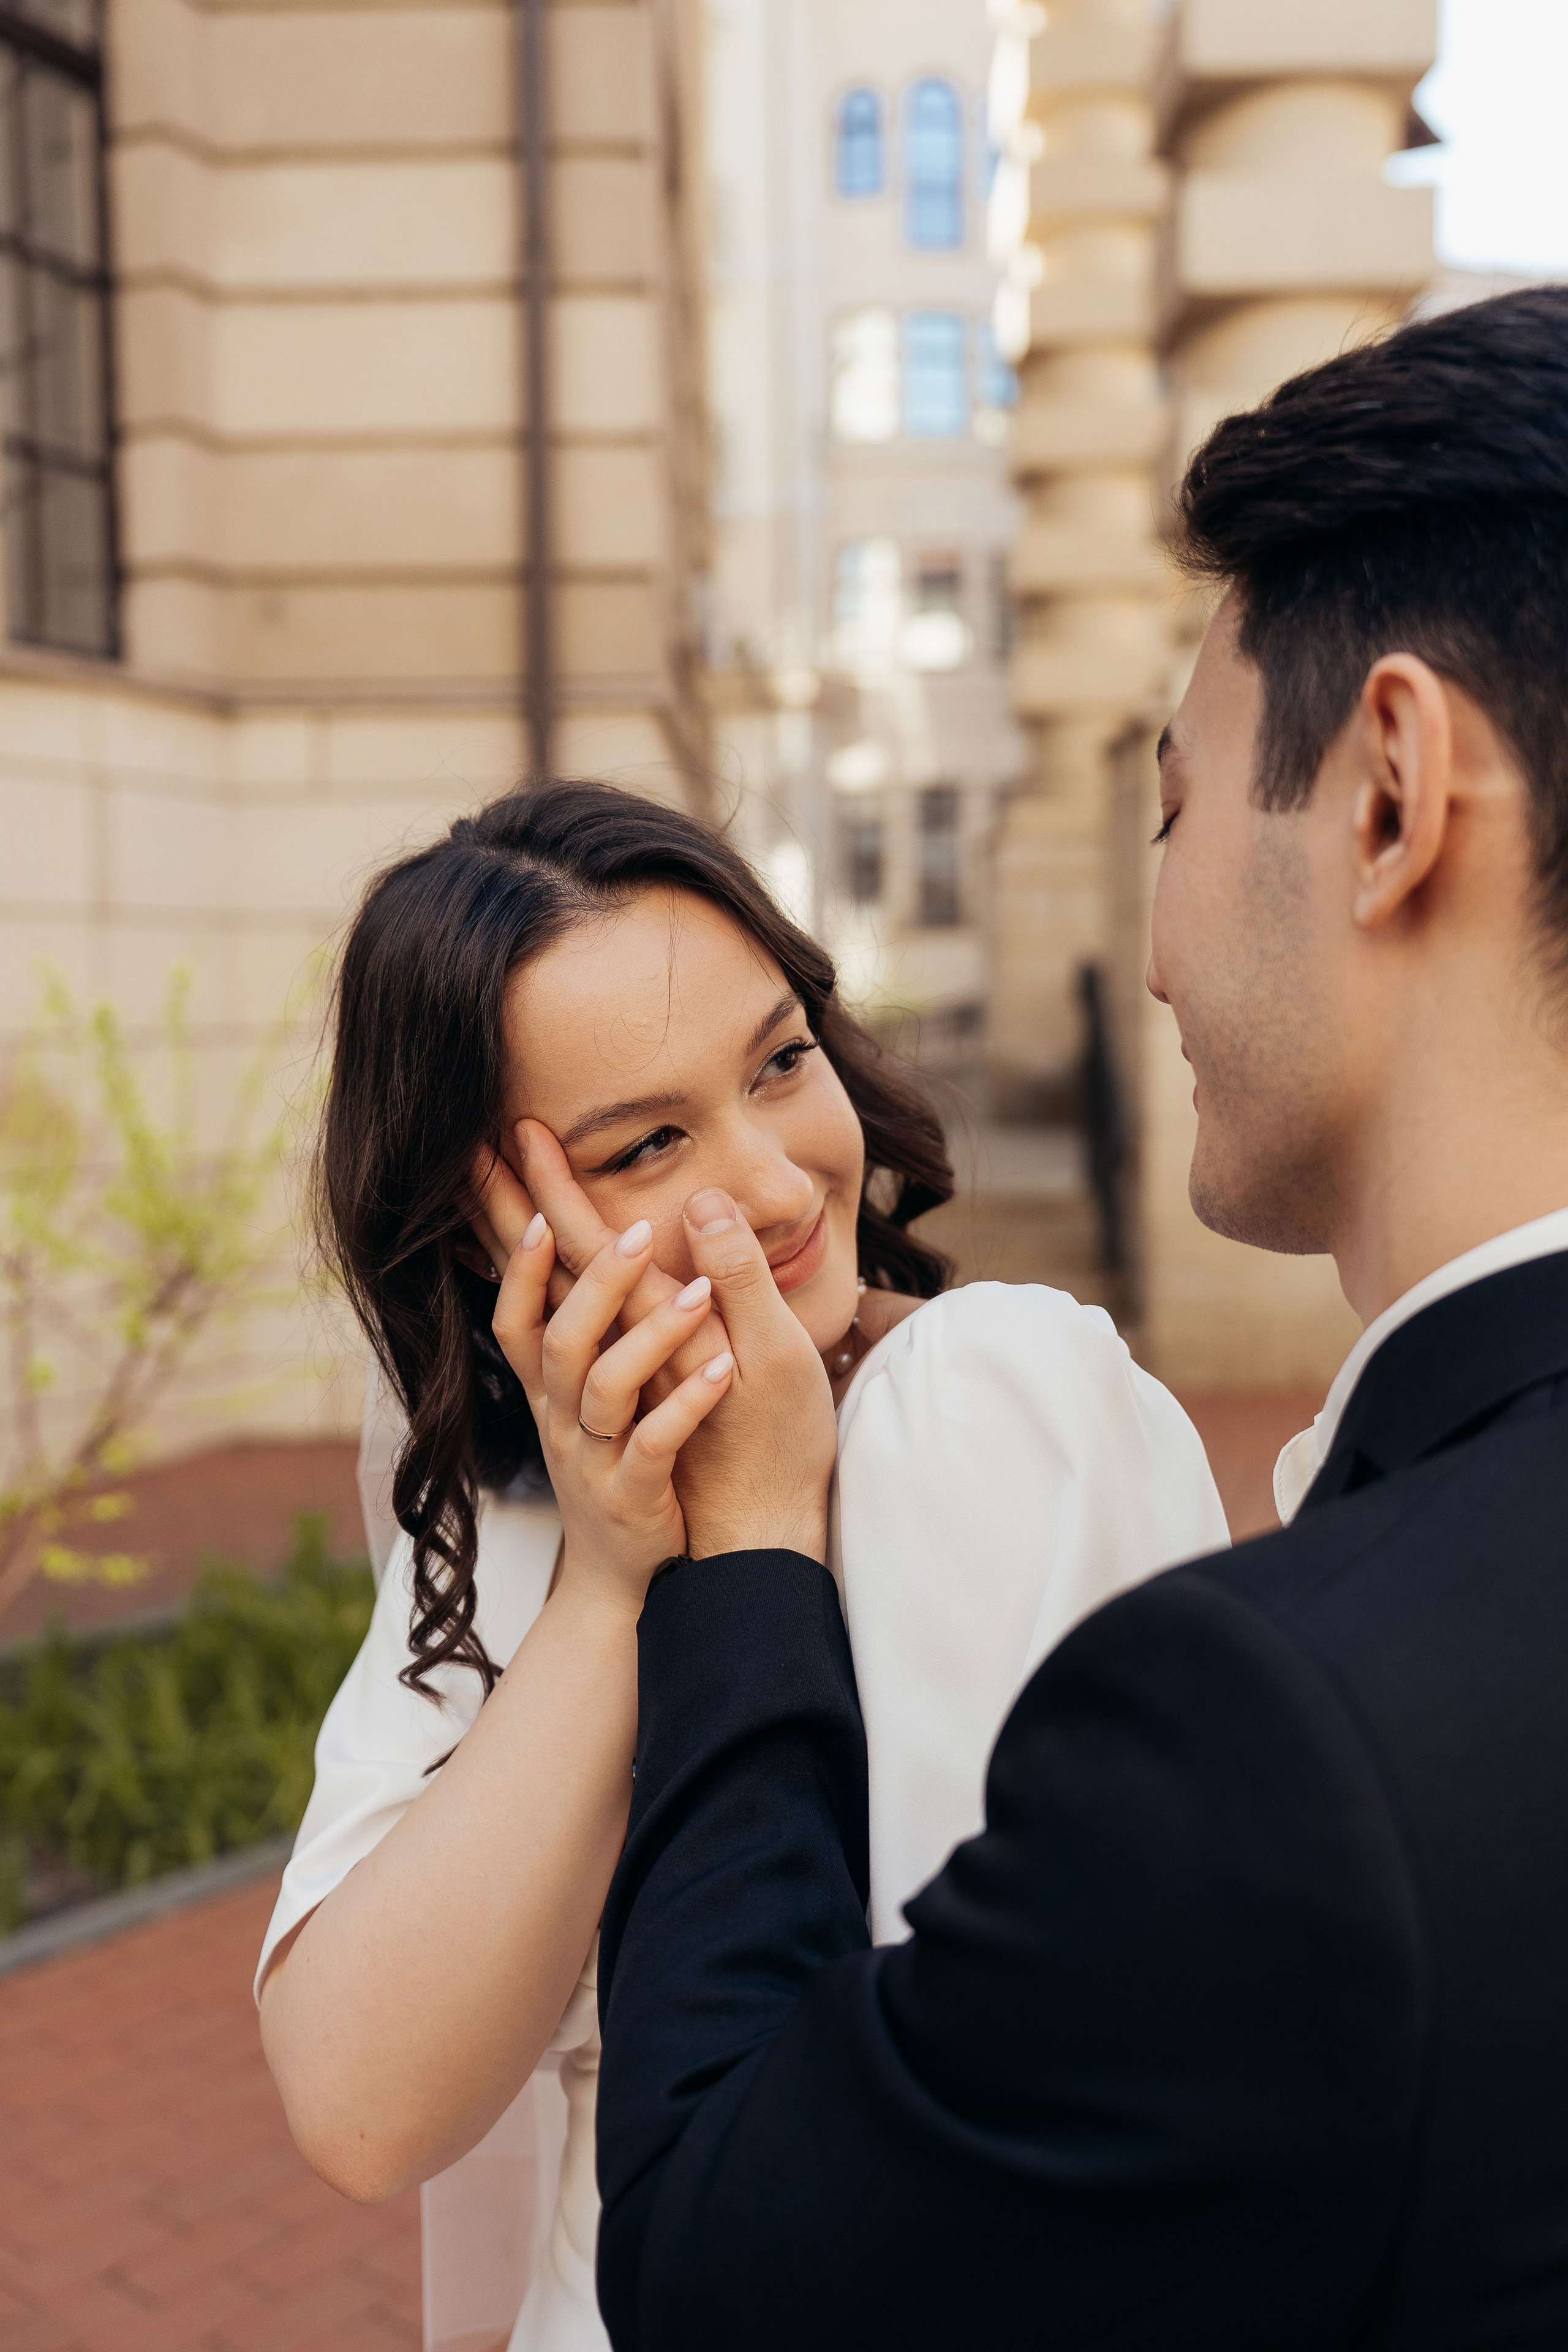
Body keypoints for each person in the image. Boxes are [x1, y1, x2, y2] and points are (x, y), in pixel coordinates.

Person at [586, 285, 1568, 2348]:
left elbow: (724, 2265)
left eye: (1177, 808)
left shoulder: (1287, 1729)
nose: (1147, 951)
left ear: (1389, 793)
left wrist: (748, 1552)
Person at [254, 786, 1227, 2350]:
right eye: (646, 1143)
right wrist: (611, 1583)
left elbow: (1004, 2099)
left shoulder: (988, 1403)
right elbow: (363, 2109)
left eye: (780, 1062)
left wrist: (759, 1529)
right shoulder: (515, 1524)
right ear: (494, 1225)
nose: (774, 1184)